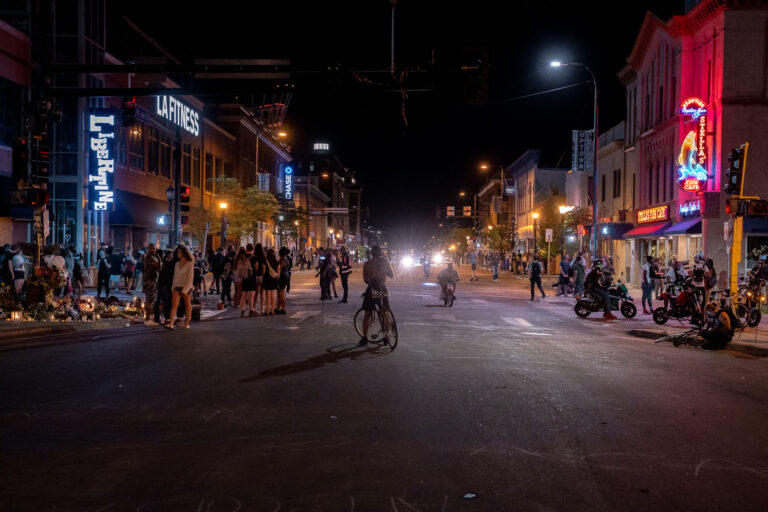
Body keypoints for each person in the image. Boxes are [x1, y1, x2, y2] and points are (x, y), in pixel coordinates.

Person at [359, 245, 395, 345]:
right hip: (382, 290)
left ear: (371, 254)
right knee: (385, 312)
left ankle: (364, 338)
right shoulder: (385, 262)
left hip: (371, 291)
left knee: (367, 315)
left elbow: (365, 280)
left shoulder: (367, 264)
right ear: (380, 253)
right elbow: (392, 275)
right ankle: (386, 335)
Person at [165, 245, 194, 330]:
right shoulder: (177, 264)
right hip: (177, 286)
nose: (177, 254)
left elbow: (190, 278)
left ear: (183, 253)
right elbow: (175, 277)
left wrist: (185, 290)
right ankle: (171, 323)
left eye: (179, 252)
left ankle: (187, 322)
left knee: (187, 305)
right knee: (174, 305)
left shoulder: (190, 264)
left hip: (186, 287)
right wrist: (173, 287)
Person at [142, 244, 162, 326]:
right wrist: (159, 258)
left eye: (154, 248)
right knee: (150, 300)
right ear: (148, 249)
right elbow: (159, 266)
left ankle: (148, 318)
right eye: (151, 248)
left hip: (148, 280)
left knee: (149, 300)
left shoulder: (147, 257)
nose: (153, 250)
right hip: (151, 281)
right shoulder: (151, 258)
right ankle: (148, 319)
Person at [155, 250, 174, 325]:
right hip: (163, 285)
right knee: (163, 301)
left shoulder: (163, 263)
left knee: (163, 301)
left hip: (164, 284)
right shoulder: (164, 263)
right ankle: (164, 318)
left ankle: (165, 318)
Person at [239, 244, 257, 318]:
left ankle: (242, 311)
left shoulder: (242, 257)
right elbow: (257, 267)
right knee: (251, 295)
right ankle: (251, 310)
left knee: (243, 295)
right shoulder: (254, 258)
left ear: (246, 248)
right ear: (252, 249)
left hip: (245, 278)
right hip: (252, 278)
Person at [262, 248, 279, 315]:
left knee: (267, 295)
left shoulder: (265, 261)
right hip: (273, 279)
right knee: (273, 295)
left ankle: (267, 311)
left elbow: (263, 271)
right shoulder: (276, 261)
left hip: (266, 279)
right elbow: (278, 272)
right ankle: (272, 310)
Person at [276, 247, 290, 314]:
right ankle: (278, 308)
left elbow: (279, 269)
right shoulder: (286, 260)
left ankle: (283, 309)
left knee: (281, 294)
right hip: (285, 278)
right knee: (279, 294)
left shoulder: (282, 261)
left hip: (282, 278)